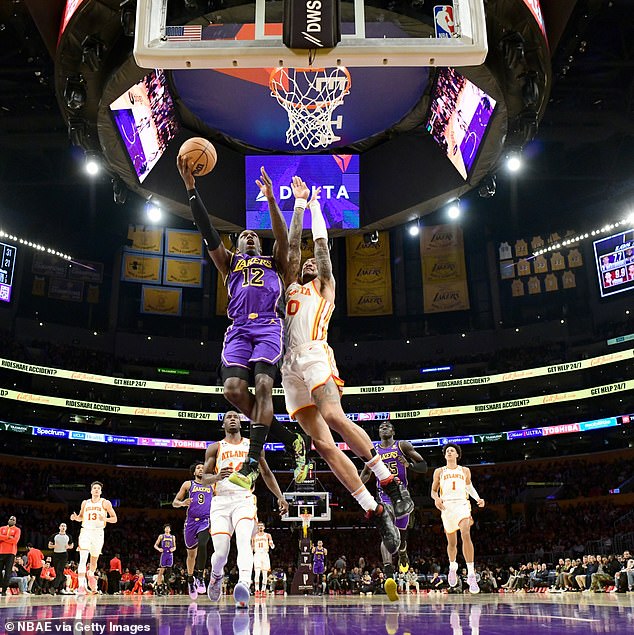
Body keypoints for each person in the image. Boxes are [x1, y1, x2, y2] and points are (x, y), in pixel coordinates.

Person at [279, 177, 413, 565]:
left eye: (312, 264)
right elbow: (291, 248)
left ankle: (388, 480)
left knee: (335, 416)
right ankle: (376, 510)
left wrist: (316, 208)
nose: (306, 264)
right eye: (302, 264)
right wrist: (298, 206)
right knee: (321, 445)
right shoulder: (290, 287)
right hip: (289, 367)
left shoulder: (325, 288)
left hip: (316, 354)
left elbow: (319, 250)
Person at [178, 157, 308, 488]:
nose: (249, 237)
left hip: (268, 326)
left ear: (260, 244)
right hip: (237, 329)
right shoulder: (229, 263)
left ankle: (253, 461)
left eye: (253, 236)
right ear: (236, 245)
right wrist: (191, 189)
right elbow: (207, 231)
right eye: (243, 236)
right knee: (234, 390)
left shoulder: (275, 262)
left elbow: (284, 238)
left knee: (264, 385)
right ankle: (288, 437)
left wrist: (272, 201)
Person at [203, 410, 289, 609]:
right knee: (221, 553)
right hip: (220, 501)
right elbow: (203, 478)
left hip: (244, 498)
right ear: (223, 424)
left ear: (241, 423)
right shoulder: (215, 448)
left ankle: (244, 584)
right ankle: (216, 575)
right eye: (228, 417)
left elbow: (266, 473)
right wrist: (216, 477)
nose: (232, 418)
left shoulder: (253, 445)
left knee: (243, 541)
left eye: (236, 417)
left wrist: (280, 496)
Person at [360, 421, 427, 599]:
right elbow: (366, 472)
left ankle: (403, 551)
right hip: (383, 495)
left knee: (401, 536)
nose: (384, 427)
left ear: (393, 431)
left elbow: (423, 466)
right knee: (388, 532)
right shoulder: (373, 449)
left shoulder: (402, 446)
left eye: (387, 425)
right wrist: (359, 486)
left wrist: (409, 465)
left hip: (401, 495)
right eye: (381, 426)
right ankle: (389, 576)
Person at [431, 443, 484, 594]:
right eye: (447, 451)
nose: (449, 452)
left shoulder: (465, 470)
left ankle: (471, 573)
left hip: (462, 504)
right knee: (452, 543)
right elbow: (433, 492)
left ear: (457, 455)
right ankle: (453, 566)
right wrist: (436, 499)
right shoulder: (439, 471)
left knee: (466, 533)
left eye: (452, 450)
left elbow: (469, 487)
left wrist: (478, 499)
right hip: (447, 507)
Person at [172, 461, 225, 600]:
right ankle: (190, 580)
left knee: (203, 544)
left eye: (203, 467)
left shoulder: (212, 485)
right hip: (190, 522)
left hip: (205, 521)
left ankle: (200, 576)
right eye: (198, 468)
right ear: (194, 472)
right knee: (191, 555)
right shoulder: (188, 484)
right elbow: (174, 502)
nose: (201, 469)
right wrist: (182, 503)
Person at [70, 481, 118, 595]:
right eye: (94, 488)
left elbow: (115, 519)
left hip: (98, 533)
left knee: (93, 561)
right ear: (91, 491)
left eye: (98, 488)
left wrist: (104, 519)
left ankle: (91, 574)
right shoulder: (85, 503)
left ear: (100, 491)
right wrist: (76, 518)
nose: (96, 490)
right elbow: (81, 517)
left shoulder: (105, 503)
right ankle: (81, 586)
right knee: (82, 558)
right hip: (86, 531)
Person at [48, 522, 74, 595]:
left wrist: (68, 547)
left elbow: (72, 545)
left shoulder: (68, 536)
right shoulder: (54, 536)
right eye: (62, 526)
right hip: (56, 554)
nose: (63, 527)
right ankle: (61, 587)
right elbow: (49, 545)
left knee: (59, 571)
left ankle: (53, 587)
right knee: (58, 573)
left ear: (66, 528)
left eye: (64, 526)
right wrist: (54, 546)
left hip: (64, 555)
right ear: (59, 527)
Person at [252, 522, 274, 597]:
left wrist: (271, 544)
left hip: (265, 554)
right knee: (257, 573)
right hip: (257, 554)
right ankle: (257, 590)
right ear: (257, 528)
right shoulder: (254, 536)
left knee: (265, 574)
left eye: (262, 526)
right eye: (259, 526)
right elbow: (252, 547)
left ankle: (263, 590)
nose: (260, 527)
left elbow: (272, 546)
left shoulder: (268, 535)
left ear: (264, 527)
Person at [0, 515, 20, 595]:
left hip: (11, 553)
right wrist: (9, 537)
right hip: (1, 552)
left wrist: (3, 538)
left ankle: (4, 590)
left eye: (13, 520)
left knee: (8, 572)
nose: (12, 520)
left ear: (15, 522)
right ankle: (1, 586)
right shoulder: (1, 528)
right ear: (8, 520)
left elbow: (15, 541)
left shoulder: (17, 530)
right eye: (11, 519)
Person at [153, 524, 176, 595]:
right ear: (164, 529)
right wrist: (159, 549)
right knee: (162, 570)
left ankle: (165, 585)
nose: (167, 529)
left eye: (168, 528)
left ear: (170, 529)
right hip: (164, 554)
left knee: (169, 570)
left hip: (170, 555)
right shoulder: (161, 536)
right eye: (166, 528)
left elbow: (175, 546)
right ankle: (158, 585)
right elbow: (155, 545)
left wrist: (173, 549)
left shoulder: (173, 537)